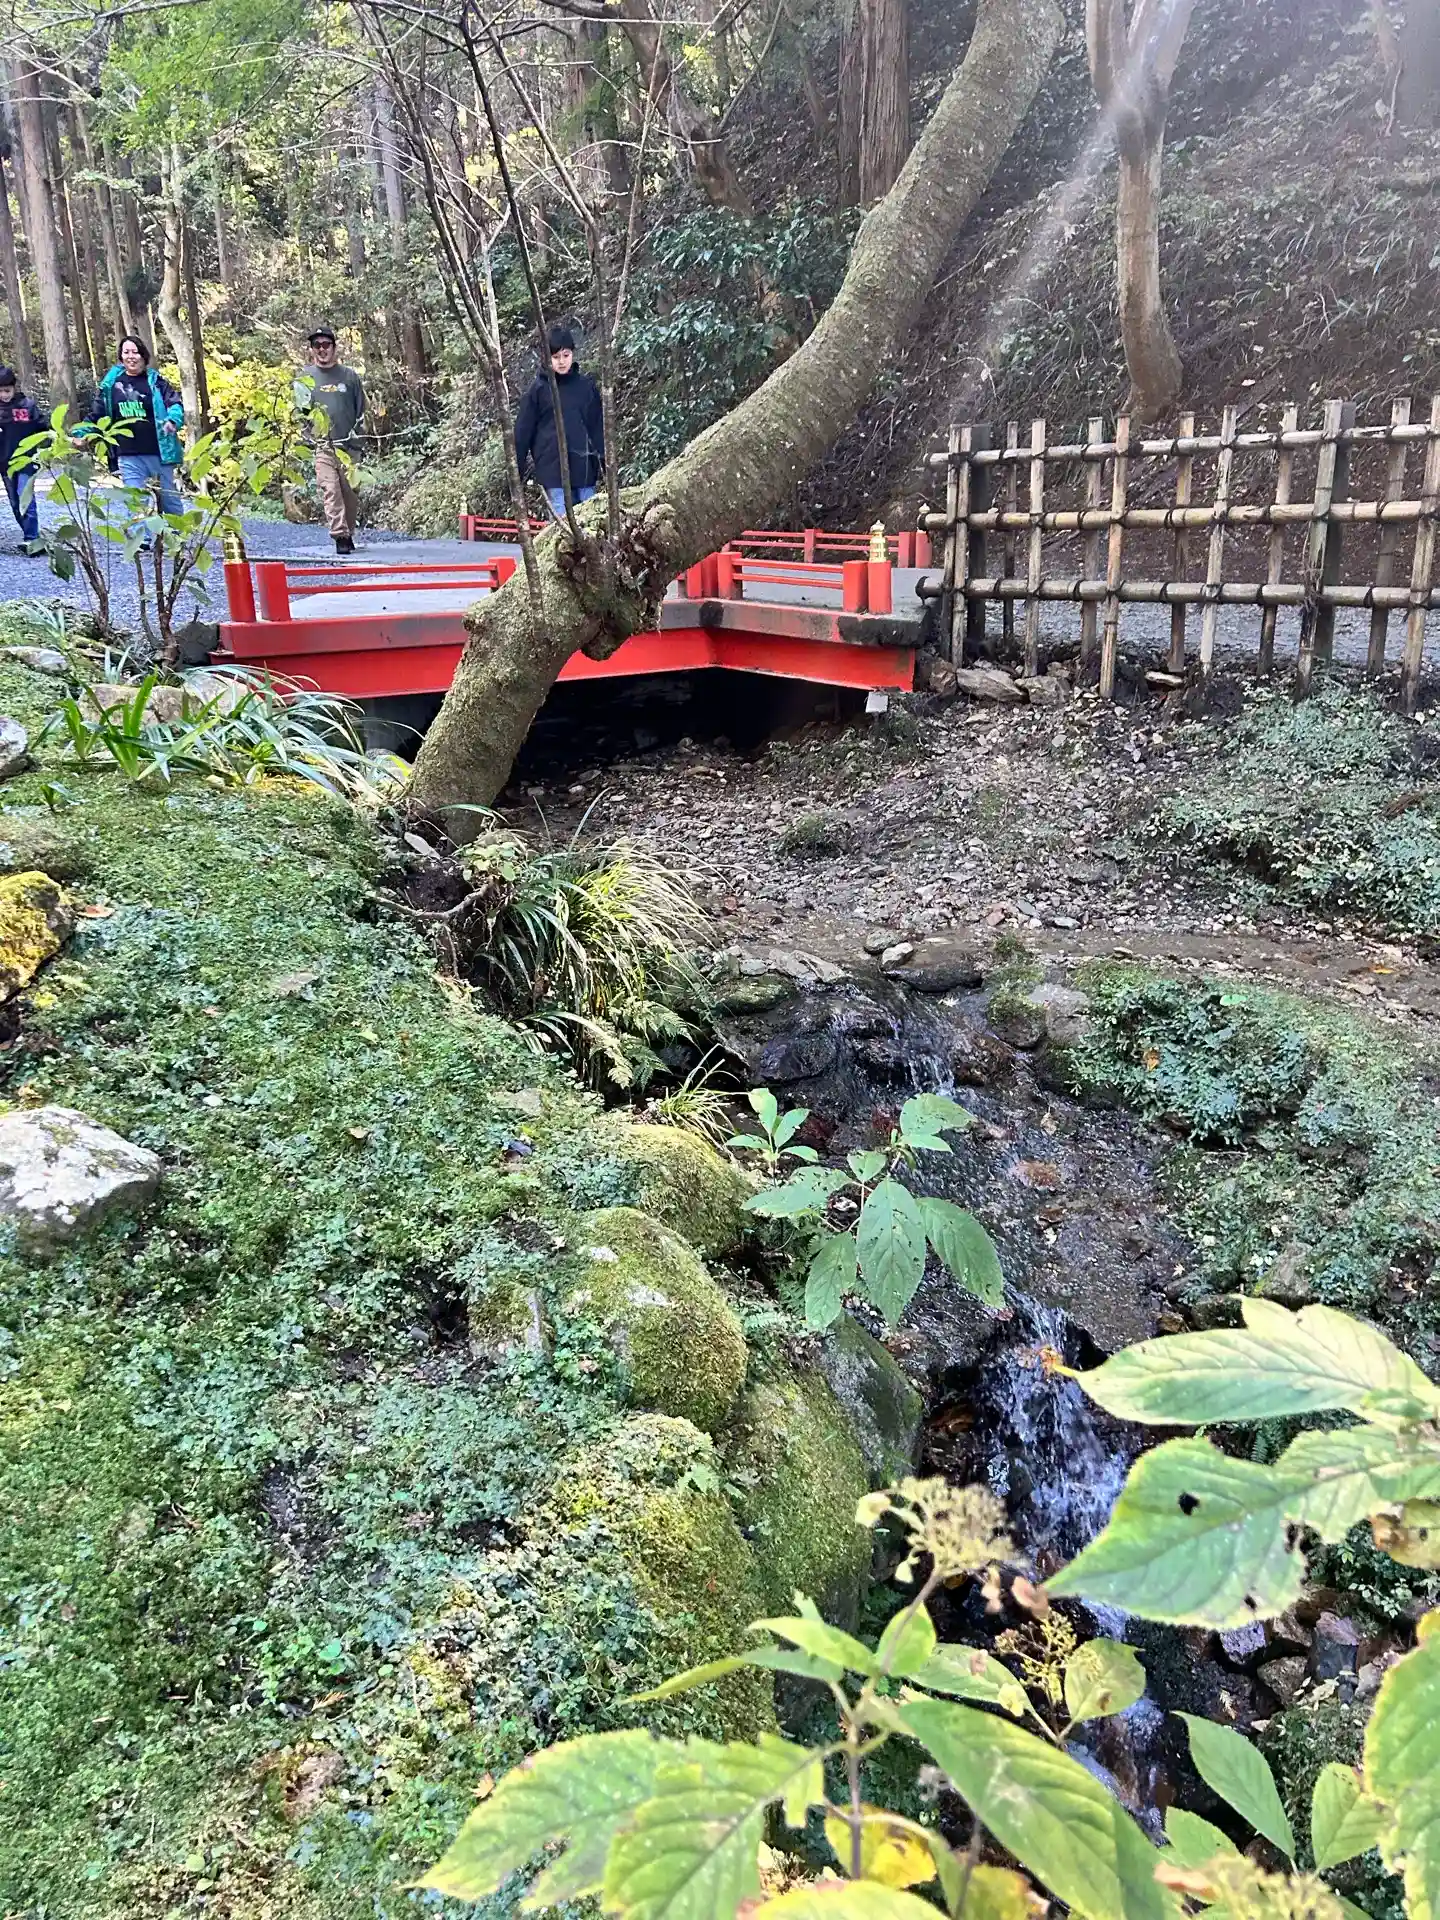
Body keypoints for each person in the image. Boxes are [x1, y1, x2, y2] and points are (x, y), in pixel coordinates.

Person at [87, 335, 185, 515]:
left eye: (135, 352)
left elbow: (175, 404)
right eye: (126, 352)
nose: (131, 356)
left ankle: (179, 532)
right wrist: (81, 433)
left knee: (170, 502)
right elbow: (97, 414)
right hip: (128, 454)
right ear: (121, 356)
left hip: (159, 453)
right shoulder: (110, 385)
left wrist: (173, 420)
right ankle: (141, 534)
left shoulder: (156, 382)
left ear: (143, 356)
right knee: (136, 505)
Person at [513, 325, 604, 515]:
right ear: (546, 358)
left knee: (591, 519)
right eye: (555, 357)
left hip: (584, 467)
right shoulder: (538, 390)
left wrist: (604, 462)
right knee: (560, 522)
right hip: (552, 470)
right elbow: (522, 433)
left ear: (573, 354)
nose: (561, 362)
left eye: (566, 355)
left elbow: (598, 428)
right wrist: (516, 473)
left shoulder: (586, 387)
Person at [296, 326, 365, 556]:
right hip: (323, 446)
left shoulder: (349, 376)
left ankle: (349, 531)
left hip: (349, 446)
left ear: (334, 348)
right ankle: (340, 536)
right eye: (317, 345)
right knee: (331, 490)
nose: (322, 349)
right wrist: (309, 439)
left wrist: (358, 440)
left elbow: (361, 410)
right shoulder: (304, 379)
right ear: (311, 349)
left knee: (350, 494)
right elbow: (300, 413)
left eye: (326, 344)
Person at [0, 367, 41, 552]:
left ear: (14, 388)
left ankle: (32, 538)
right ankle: (27, 533)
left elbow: (42, 427)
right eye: (0, 391)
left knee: (26, 497)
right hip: (5, 464)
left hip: (26, 460)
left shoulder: (27, 406)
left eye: (7, 390)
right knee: (15, 503)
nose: (4, 395)